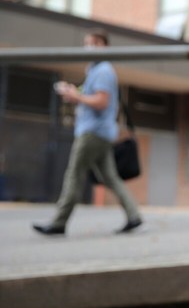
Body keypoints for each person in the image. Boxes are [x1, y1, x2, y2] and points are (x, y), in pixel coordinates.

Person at [32, 29, 142, 236]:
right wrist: (73, 92)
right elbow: (89, 96)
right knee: (110, 178)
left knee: (74, 174)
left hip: (92, 133)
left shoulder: (103, 70)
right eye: (86, 43)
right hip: (100, 133)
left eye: (93, 43)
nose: (88, 47)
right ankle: (134, 215)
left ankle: (59, 222)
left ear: (103, 45)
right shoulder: (94, 70)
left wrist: (76, 97)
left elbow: (102, 101)